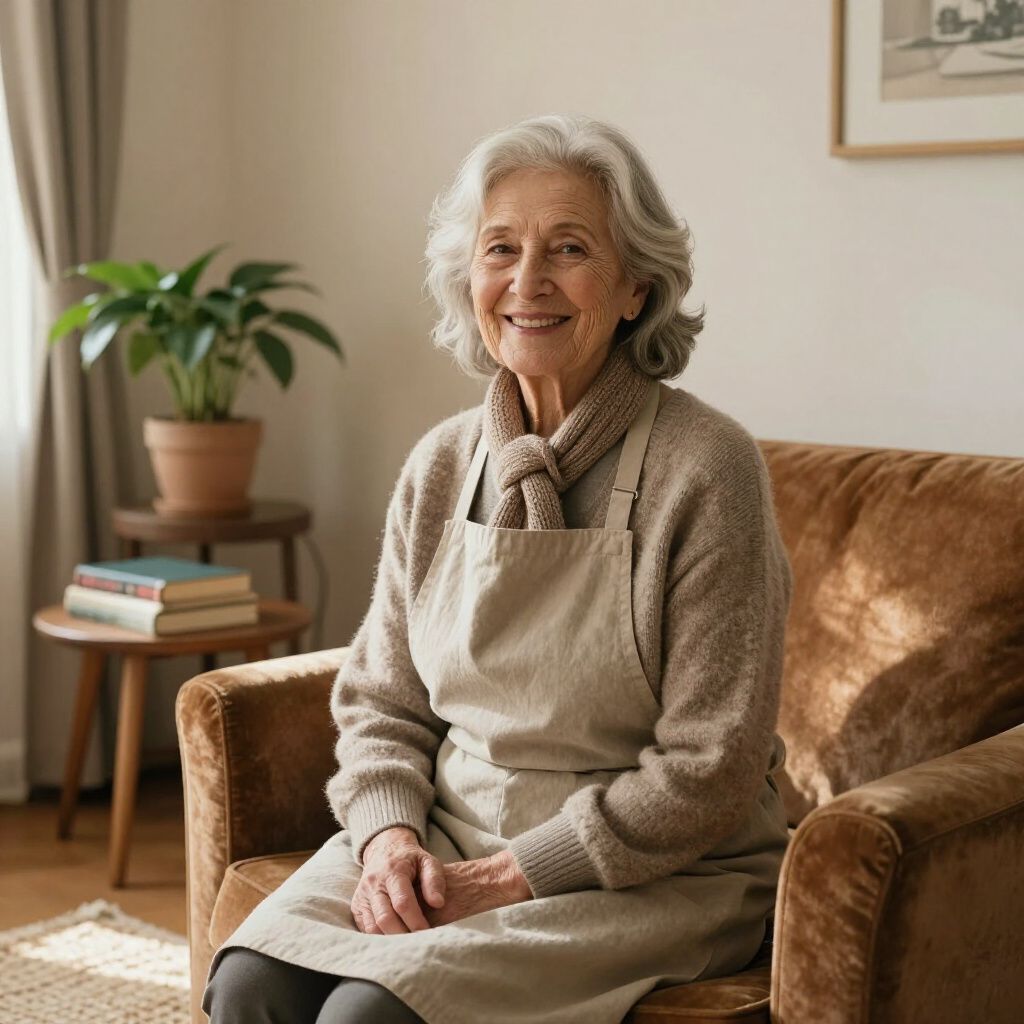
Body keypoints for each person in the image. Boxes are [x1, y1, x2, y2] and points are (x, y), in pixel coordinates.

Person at [202, 113, 793, 1024]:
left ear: (635, 286)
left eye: (568, 249)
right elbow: (380, 704)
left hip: (650, 869)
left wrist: (505, 878)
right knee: (248, 987)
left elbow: (710, 768)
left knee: (371, 1016)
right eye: (501, 248)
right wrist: (389, 839)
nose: (529, 281)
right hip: (447, 830)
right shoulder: (442, 463)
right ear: (468, 278)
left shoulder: (709, 467)